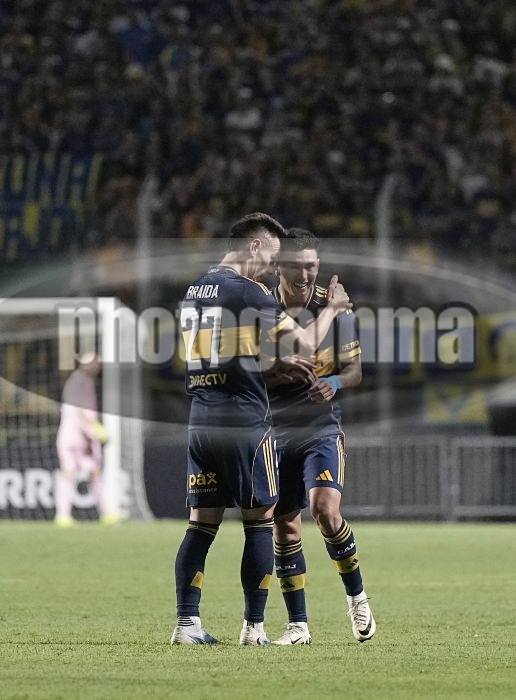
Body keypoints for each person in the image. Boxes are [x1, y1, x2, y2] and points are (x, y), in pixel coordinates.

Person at [171, 212, 352, 645]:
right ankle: (254, 628)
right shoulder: (250, 291)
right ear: (254, 245)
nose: (273, 267)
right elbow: (307, 342)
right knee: (260, 522)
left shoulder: (194, 290)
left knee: (201, 525)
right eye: (271, 256)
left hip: (201, 418)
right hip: (244, 421)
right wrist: (333, 309)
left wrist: (271, 366)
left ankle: (187, 624)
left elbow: (223, 353)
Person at [265, 228, 376, 645]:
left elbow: (355, 370)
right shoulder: (260, 308)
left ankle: (357, 598)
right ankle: (298, 626)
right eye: (298, 266)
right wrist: (277, 372)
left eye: (312, 266)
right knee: (285, 526)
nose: (306, 275)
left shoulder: (339, 311)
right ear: (279, 266)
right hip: (275, 430)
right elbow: (251, 373)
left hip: (320, 427)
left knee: (325, 511)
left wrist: (336, 383)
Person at [55, 353, 114, 527]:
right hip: (75, 437)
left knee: (89, 473)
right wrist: (94, 431)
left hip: (74, 437)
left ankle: (104, 514)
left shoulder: (80, 381)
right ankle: (64, 516)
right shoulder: (80, 381)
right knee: (73, 473)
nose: (98, 367)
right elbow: (79, 411)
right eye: (95, 364)